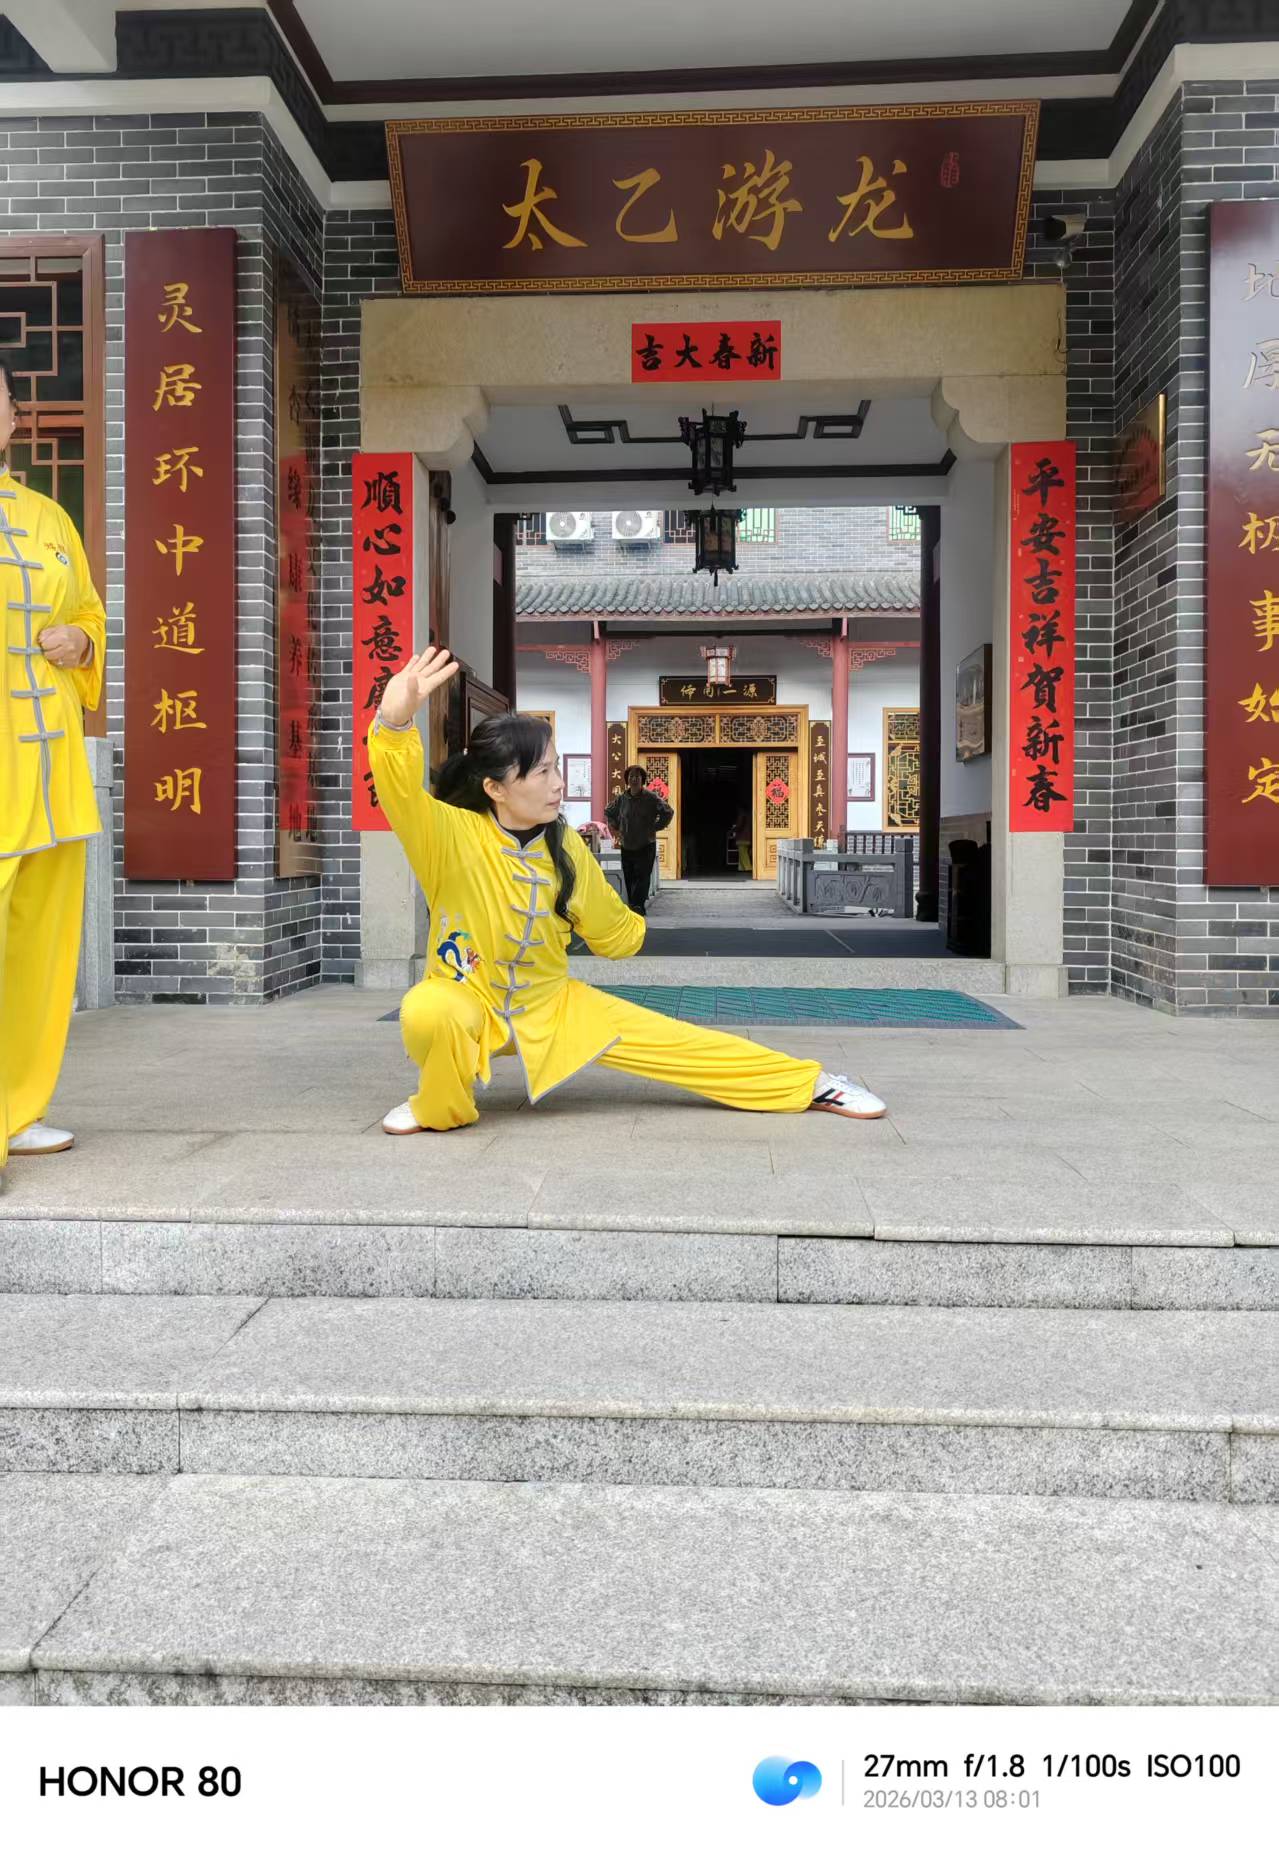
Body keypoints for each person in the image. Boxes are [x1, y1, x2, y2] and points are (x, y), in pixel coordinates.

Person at [367, 648, 886, 1133]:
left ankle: (810, 1084)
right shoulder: (447, 834)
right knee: (430, 1009)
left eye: (556, 766)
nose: (558, 783)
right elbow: (399, 791)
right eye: (542, 772)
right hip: (468, 996)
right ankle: (438, 1104)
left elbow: (615, 937)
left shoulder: (566, 848)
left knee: (677, 1042)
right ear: (495, 788)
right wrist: (393, 725)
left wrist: (623, 927)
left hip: (551, 1002)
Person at [0, 359, 107, 1162]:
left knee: (40, 951)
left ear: (12, 417)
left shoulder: (50, 518)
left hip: (52, 768)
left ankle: (19, 1105)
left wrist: (82, 642)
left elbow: (89, 614)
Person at [604, 763, 672, 917]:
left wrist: (656, 827)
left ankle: (638, 906)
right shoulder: (622, 799)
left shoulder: (651, 798)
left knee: (642, 877)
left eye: (637, 776)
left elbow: (668, 812)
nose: (634, 779)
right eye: (631, 776)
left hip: (646, 844)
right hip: (627, 844)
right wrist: (617, 826)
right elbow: (608, 811)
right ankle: (633, 905)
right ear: (627, 780)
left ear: (643, 779)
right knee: (629, 877)